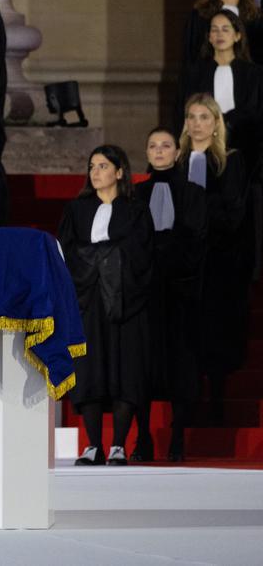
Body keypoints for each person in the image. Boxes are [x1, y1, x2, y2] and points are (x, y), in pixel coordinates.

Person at [58, 145, 154, 466]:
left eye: (102, 166)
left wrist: (102, 257)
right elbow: (68, 252)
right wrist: (101, 259)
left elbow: (142, 252)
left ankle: (118, 446)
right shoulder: (77, 210)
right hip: (88, 300)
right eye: (92, 166)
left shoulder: (136, 210)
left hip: (127, 301)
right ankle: (93, 445)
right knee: (90, 369)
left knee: (125, 368)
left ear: (119, 171)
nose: (95, 172)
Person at [133, 128, 207, 462]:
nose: (159, 151)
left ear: (178, 152)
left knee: (180, 364)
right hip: (144, 292)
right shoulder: (134, 195)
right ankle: (143, 436)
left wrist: (162, 255)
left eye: (166, 146)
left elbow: (196, 238)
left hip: (179, 290)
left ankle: (178, 437)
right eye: (153, 146)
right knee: (142, 364)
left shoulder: (192, 193)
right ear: (146, 153)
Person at [177, 94, 250, 427]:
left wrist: (199, 208)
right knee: (186, 332)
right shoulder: (176, 161)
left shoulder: (229, 161)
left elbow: (234, 212)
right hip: (182, 260)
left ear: (216, 123)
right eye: (192, 117)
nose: (197, 124)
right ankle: (187, 398)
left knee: (215, 329)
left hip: (217, 259)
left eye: (204, 117)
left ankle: (215, 400)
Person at [178, 9, 263, 171]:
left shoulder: (254, 74)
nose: (219, 34)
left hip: (247, 149)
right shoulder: (194, 73)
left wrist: (228, 122)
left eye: (225, 29)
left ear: (237, 36)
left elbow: (255, 111)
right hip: (203, 146)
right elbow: (182, 111)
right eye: (214, 30)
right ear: (209, 37)